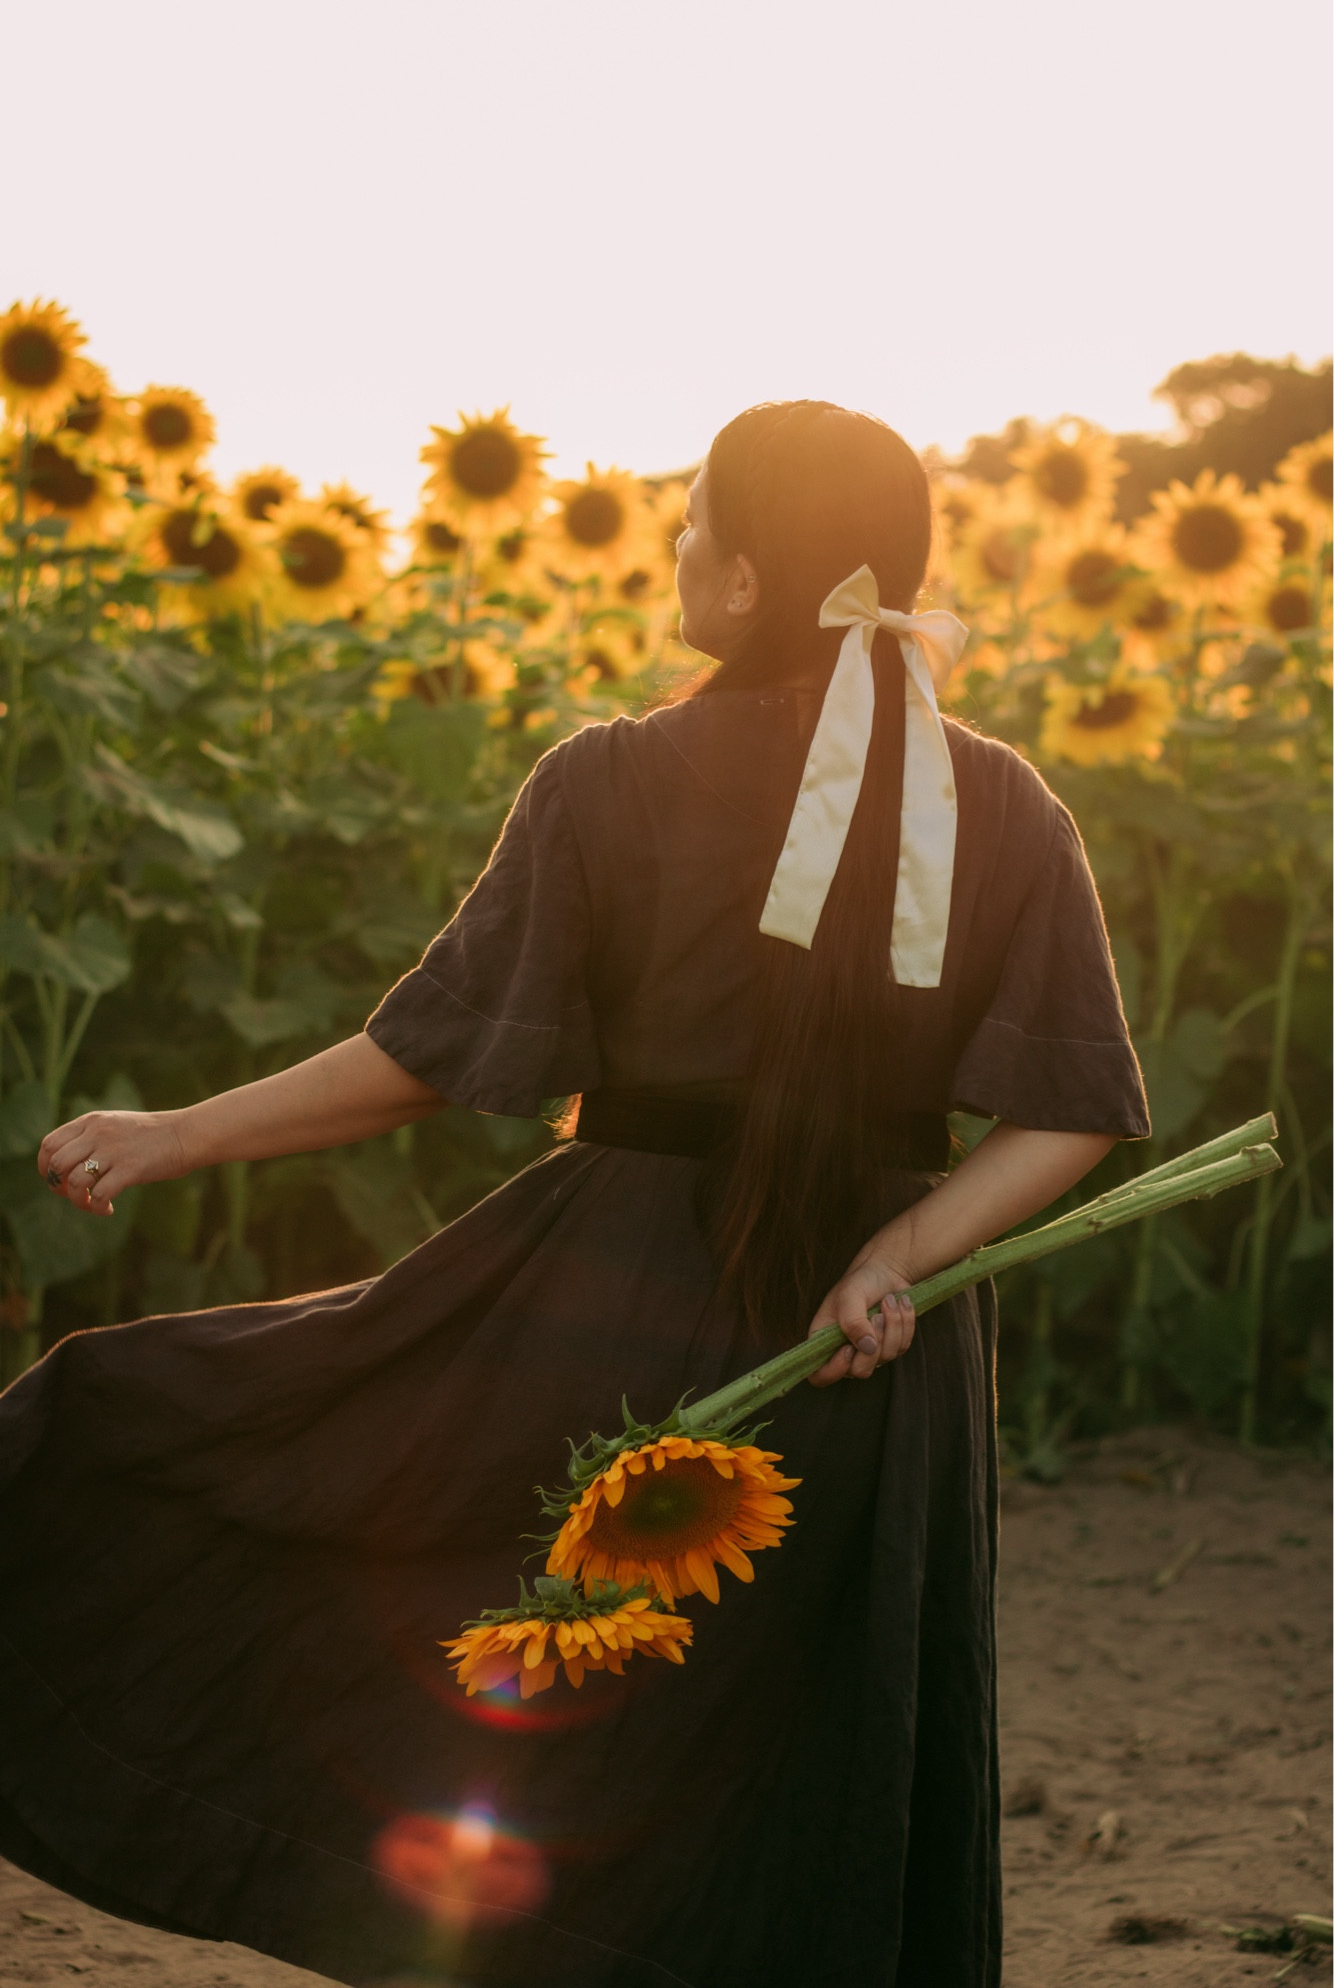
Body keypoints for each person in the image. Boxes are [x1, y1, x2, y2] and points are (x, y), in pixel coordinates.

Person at [0, 401, 1148, 1988]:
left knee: (536, 1690)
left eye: (692, 526)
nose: (673, 550)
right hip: (875, 1344)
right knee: (820, 1733)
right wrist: (897, 1253)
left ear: (743, 583)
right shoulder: (1005, 802)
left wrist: (175, 1130)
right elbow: (1071, 1113)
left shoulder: (611, 778)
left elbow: (428, 1057)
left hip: (602, 1295)